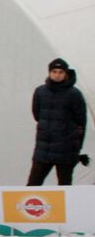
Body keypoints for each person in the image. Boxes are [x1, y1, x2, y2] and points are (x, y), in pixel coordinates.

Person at [28, 57, 87, 186]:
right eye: (54, 71)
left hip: (66, 150)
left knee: (65, 186)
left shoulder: (74, 94)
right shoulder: (40, 92)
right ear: (49, 72)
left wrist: (77, 148)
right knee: (33, 185)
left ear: (66, 73)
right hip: (43, 149)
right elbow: (37, 115)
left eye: (60, 72)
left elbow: (81, 122)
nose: (57, 75)